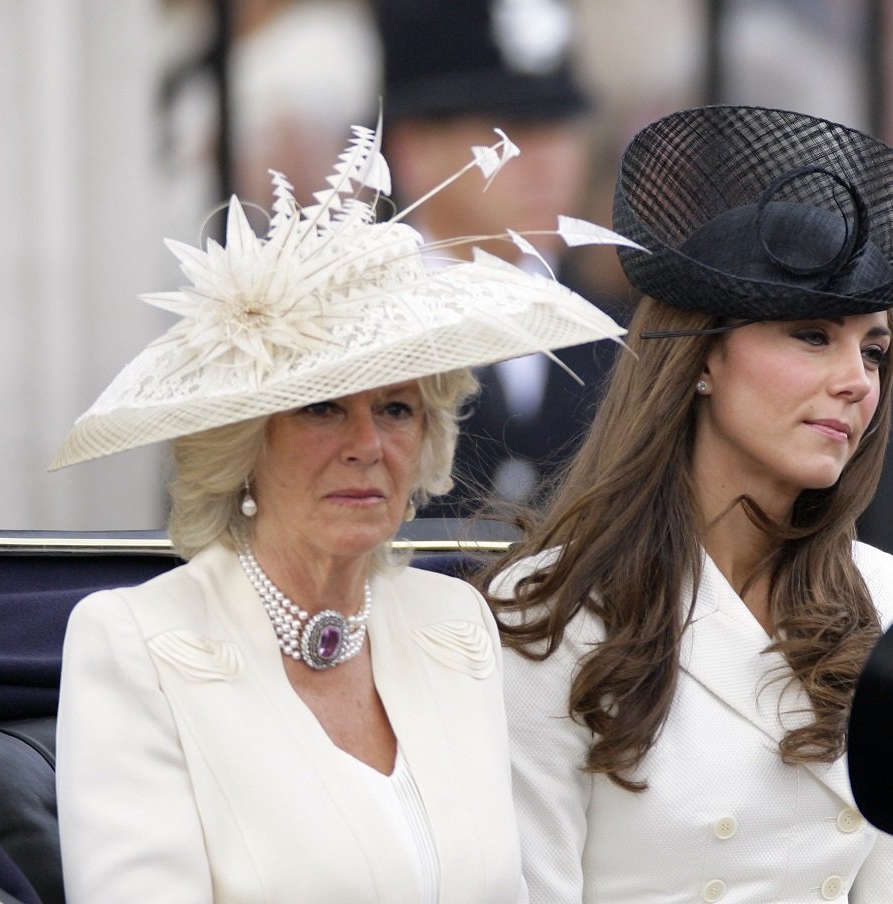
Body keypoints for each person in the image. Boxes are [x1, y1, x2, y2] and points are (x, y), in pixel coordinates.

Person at [50, 124, 627, 902]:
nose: (367, 445)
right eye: (321, 408)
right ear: (244, 440)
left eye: (395, 408)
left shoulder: (455, 621)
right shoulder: (136, 644)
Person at [484, 104, 893, 903]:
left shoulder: (883, 593)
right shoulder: (551, 611)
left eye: (873, 351)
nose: (856, 381)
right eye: (812, 336)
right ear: (703, 358)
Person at [375, 0, 625, 518]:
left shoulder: (622, 336)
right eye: (508, 132)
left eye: (559, 127)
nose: (546, 162)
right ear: (413, 150)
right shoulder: (341, 321)